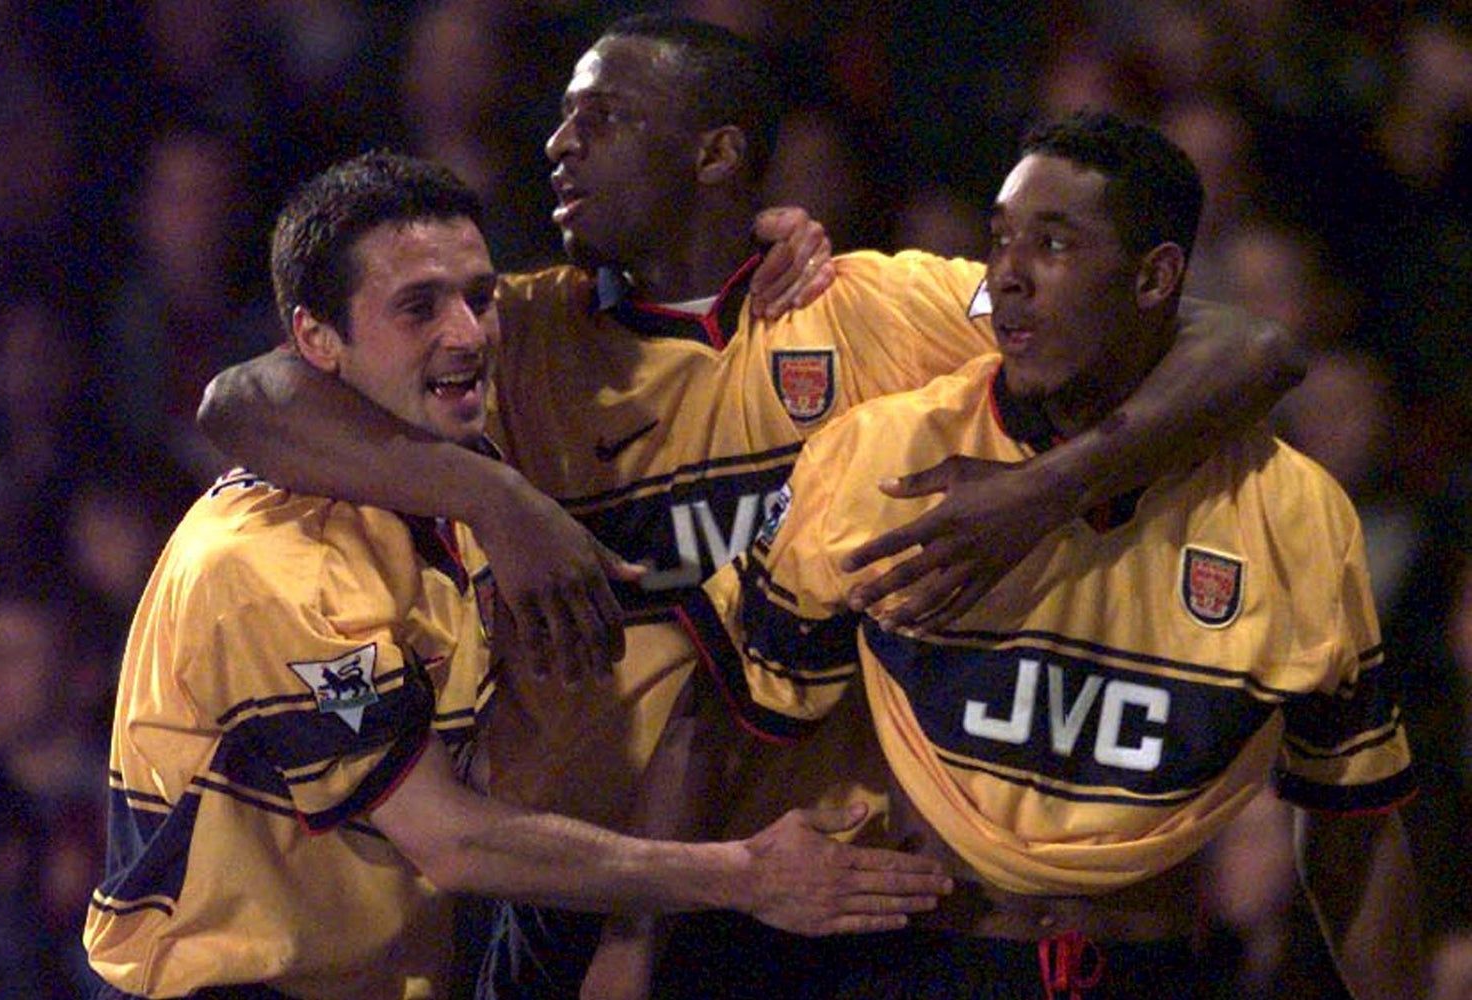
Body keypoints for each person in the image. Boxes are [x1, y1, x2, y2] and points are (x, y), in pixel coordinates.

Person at [196, 16, 1305, 997]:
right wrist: (491, 492)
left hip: (843, 886)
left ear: (717, 154)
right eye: (566, 118)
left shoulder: (880, 305)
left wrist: (1042, 489)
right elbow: (244, 400)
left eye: (602, 118)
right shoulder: (510, 333)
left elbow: (1243, 342)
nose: (559, 143)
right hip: (581, 885)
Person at [82, 151, 953, 1000]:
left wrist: (739, 245)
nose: (467, 333)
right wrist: (745, 875)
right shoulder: (270, 565)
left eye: (479, 296)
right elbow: (450, 841)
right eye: (418, 307)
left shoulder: (451, 480)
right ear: (316, 339)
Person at [686, 111, 1423, 999]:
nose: (1006, 272)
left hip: (1155, 973)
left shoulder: (1294, 511)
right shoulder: (885, 451)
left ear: (1156, 278)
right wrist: (672, 922)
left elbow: (1351, 822)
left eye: (1054, 243)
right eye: (1000, 238)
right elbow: (719, 728)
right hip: (925, 962)